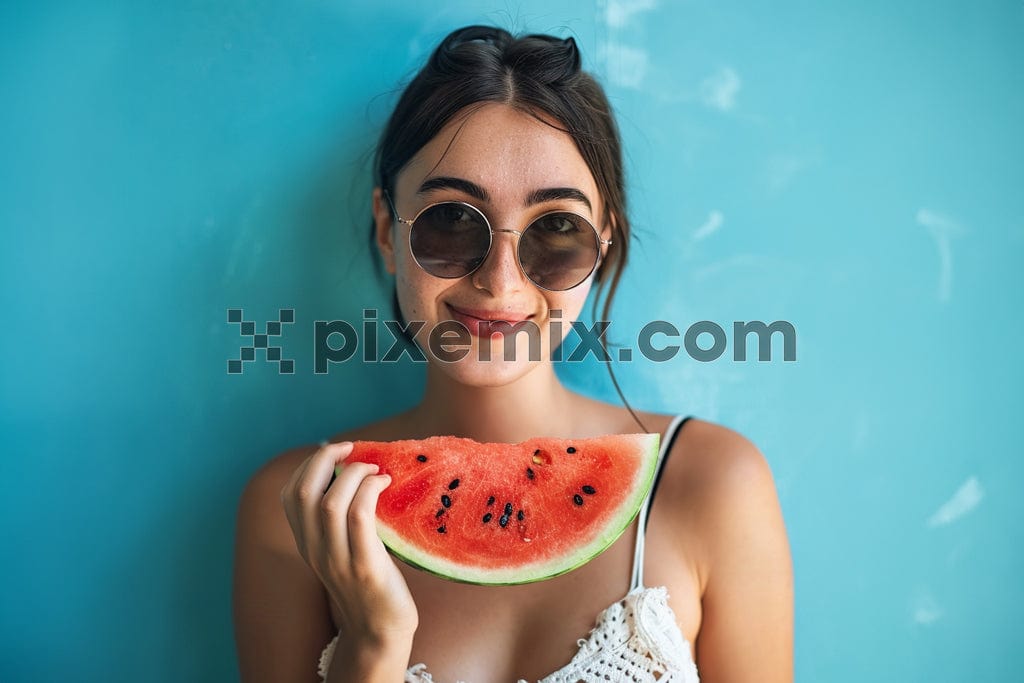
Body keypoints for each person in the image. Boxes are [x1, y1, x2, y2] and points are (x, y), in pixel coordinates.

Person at [233, 25, 792, 683]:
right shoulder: (297, 508)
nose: (500, 281)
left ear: (603, 243)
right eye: (450, 219)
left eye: (557, 227)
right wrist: (373, 643)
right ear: (389, 230)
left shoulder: (713, 485)